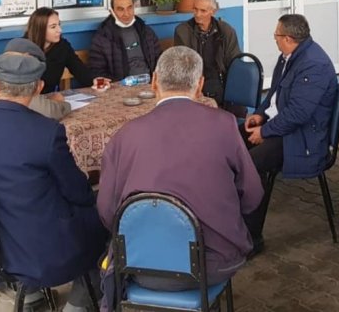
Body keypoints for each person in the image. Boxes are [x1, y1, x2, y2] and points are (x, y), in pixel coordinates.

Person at [0, 49, 107, 312]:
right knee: (103, 215)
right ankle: (79, 303)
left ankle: (31, 295)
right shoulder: (46, 133)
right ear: (38, 88)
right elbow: (78, 193)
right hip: (38, 255)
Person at [98, 46, 262, 290]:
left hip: (140, 265)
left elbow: (107, 211)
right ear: (200, 85)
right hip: (212, 265)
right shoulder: (224, 124)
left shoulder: (125, 134)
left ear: (154, 82)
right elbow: (252, 195)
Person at [242, 14, 337, 252]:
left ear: (288, 38)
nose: (274, 39)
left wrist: (265, 131)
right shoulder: (288, 57)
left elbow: (298, 114)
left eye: (276, 35)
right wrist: (260, 115)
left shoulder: (314, 65)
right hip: (282, 127)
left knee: (251, 165)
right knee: (230, 141)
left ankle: (251, 238)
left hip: (302, 139)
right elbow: (274, 95)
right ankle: (228, 218)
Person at [173, 0, 242, 104]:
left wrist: (232, 92)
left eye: (203, 11)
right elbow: (183, 68)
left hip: (221, 84)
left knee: (237, 108)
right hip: (195, 85)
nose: (197, 14)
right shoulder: (183, 31)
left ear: (213, 11)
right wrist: (195, 90)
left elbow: (235, 64)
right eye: (195, 9)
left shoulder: (226, 31)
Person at [89, 0, 161, 81]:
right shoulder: (103, 37)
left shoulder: (145, 31)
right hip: (121, 85)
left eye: (129, 8)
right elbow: (97, 71)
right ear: (112, 12)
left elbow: (160, 59)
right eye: (120, 9)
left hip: (150, 82)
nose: (126, 14)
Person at [24, 7, 95, 92]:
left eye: (59, 25)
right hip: (28, 98)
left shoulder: (62, 46)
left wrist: (95, 82)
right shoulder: (22, 48)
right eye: (53, 27)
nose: (60, 30)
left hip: (54, 96)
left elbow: (81, 72)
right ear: (40, 29)